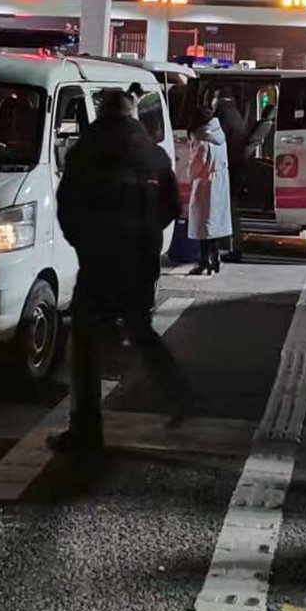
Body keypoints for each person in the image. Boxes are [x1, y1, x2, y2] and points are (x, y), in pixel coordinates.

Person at [50, 87, 192, 455]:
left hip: (97, 261)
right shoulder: (154, 154)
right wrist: (147, 238)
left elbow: (67, 207)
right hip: (140, 261)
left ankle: (85, 431)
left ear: (102, 113)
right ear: (132, 113)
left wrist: (83, 243)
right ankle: (178, 394)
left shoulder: (85, 151)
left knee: (85, 344)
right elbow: (171, 206)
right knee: (140, 330)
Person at [187, 101, 233, 276]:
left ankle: (203, 262)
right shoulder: (218, 134)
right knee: (213, 224)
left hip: (206, 184)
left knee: (203, 225)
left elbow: (197, 166)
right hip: (220, 182)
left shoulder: (202, 139)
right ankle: (215, 258)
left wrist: (189, 174)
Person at [213, 92, 249, 263]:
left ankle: (232, 248)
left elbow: (218, 140)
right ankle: (233, 246)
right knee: (232, 209)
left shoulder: (224, 116)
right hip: (238, 168)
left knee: (229, 210)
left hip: (230, 169)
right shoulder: (235, 113)